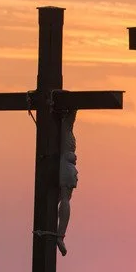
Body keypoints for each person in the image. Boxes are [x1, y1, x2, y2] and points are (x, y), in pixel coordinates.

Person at [57, 109, 78, 256]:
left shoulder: (65, 128)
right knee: (63, 199)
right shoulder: (63, 127)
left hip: (67, 167)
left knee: (64, 199)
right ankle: (59, 236)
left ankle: (60, 235)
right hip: (65, 166)